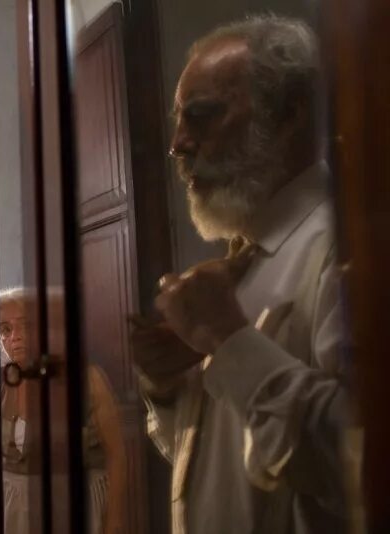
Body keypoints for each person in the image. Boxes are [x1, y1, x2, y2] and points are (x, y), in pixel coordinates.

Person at [132, 15, 352, 534]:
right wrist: (168, 387)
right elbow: (224, 464)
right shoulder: (239, 260)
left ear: (291, 113)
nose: (177, 144)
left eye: (202, 116)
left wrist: (228, 341)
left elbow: (361, 461)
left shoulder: (346, 246)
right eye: (179, 121)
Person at [0, 288, 126, 534]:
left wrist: (114, 521)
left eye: (26, 326)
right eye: (5, 329)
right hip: (15, 510)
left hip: (76, 504)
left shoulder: (87, 379)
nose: (15, 337)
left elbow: (117, 455)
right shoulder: (2, 383)